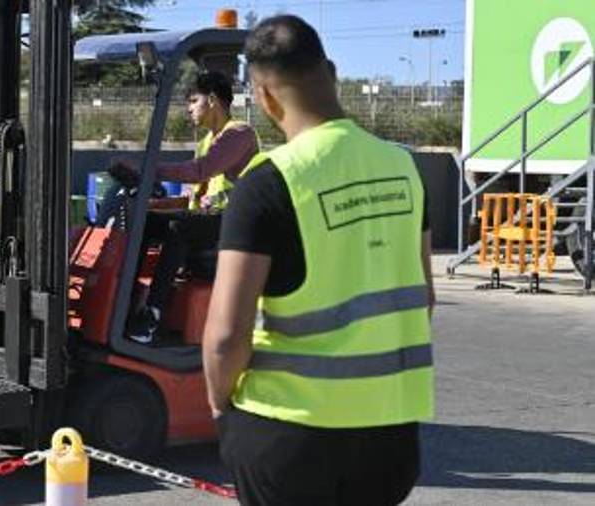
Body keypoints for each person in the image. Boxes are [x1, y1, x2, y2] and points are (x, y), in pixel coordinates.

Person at [202, 15, 435, 506]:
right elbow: (424, 297)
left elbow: (226, 336)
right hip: (389, 435)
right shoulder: (404, 169)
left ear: (264, 97)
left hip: (288, 437)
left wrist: (221, 408)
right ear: (332, 72)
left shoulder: (269, 183)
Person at [125, 71, 259, 343]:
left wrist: (149, 169)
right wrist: (152, 205)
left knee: (180, 228)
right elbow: (193, 196)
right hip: (210, 221)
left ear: (212, 100)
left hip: (236, 226)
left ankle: (153, 314)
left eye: (193, 101)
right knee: (146, 222)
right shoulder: (206, 143)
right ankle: (125, 301)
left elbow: (200, 171)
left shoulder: (239, 134)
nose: (188, 109)